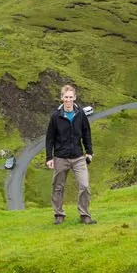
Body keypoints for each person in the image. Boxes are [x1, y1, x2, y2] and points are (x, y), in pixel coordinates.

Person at [45, 84, 95, 224]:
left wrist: (89, 152)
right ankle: (59, 214)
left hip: (78, 157)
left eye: (70, 97)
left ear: (75, 98)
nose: (68, 100)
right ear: (62, 98)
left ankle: (85, 215)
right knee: (58, 187)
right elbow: (50, 138)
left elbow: (86, 133)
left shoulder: (80, 114)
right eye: (66, 97)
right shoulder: (56, 116)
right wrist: (49, 157)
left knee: (85, 185)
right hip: (60, 158)